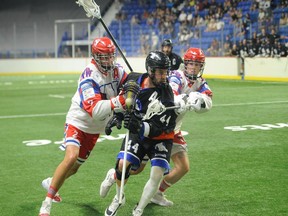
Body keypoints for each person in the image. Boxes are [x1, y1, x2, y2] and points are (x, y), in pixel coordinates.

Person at [100, 48, 213, 207]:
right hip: (156, 125)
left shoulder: (201, 82)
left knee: (183, 167)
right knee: (137, 169)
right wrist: (186, 99)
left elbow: (208, 100)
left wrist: (199, 98)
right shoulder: (176, 77)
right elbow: (170, 97)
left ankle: (158, 193)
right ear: (185, 64)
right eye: (191, 63)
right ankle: (114, 175)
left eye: (197, 64)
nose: (194, 68)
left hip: (172, 128)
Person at [38, 36, 128, 216]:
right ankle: (46, 203)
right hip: (78, 121)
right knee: (71, 157)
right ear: (95, 57)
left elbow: (129, 84)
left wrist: (134, 83)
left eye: (111, 56)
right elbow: (94, 109)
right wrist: (119, 101)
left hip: (95, 129)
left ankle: (51, 181)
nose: (109, 60)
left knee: (75, 168)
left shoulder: (117, 70)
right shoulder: (89, 75)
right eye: (105, 57)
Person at [104, 51, 179, 216]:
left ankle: (138, 210)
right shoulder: (134, 79)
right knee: (123, 165)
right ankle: (118, 198)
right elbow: (124, 101)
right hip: (137, 132)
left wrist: (140, 126)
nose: (164, 76)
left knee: (157, 173)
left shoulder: (167, 93)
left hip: (160, 137)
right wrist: (117, 116)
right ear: (150, 71)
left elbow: (161, 126)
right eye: (160, 72)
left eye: (166, 71)